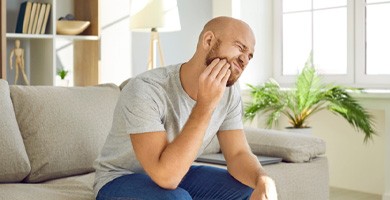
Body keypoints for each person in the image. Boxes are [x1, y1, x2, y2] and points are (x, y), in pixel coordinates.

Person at [94, 16, 278, 200]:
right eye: (240, 48)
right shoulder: (145, 89)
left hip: (178, 171)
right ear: (208, 41)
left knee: (249, 190)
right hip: (120, 178)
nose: (245, 60)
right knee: (177, 199)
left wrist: (263, 179)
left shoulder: (229, 93)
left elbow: (238, 154)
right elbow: (166, 177)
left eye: (250, 56)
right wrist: (205, 105)